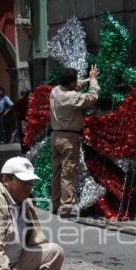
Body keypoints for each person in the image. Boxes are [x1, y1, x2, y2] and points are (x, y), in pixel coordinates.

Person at [50, 65, 100, 218]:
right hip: (68, 139)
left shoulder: (55, 91)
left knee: (57, 172)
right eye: (75, 81)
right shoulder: (70, 97)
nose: (76, 83)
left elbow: (75, 85)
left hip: (55, 136)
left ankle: (55, 204)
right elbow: (92, 97)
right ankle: (66, 208)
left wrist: (88, 79)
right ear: (70, 83)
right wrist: (93, 81)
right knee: (68, 173)